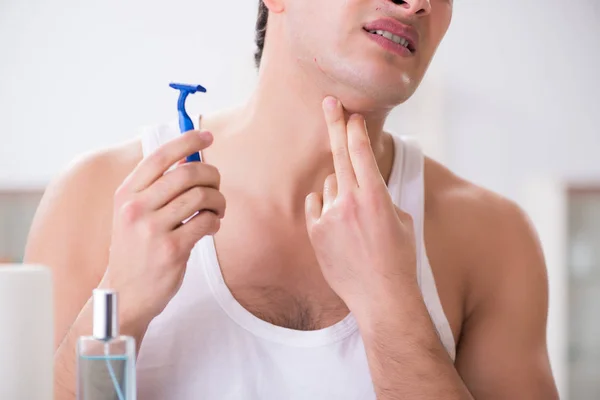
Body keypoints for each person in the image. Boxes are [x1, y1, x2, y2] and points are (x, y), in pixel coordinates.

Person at [25, 0, 559, 399]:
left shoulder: (492, 238)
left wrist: (392, 310)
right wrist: (118, 309)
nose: (415, 0)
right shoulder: (95, 198)